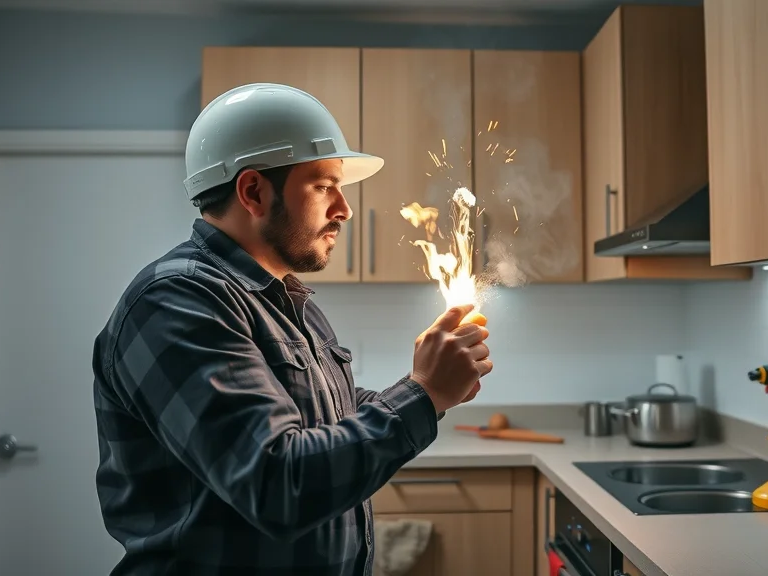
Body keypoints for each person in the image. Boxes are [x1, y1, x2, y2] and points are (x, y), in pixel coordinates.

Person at [91, 82, 493, 576]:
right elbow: (278, 485)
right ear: (253, 192)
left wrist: (433, 387)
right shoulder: (176, 302)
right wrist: (423, 393)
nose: (344, 208)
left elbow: (322, 413)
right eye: (324, 186)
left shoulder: (286, 299)